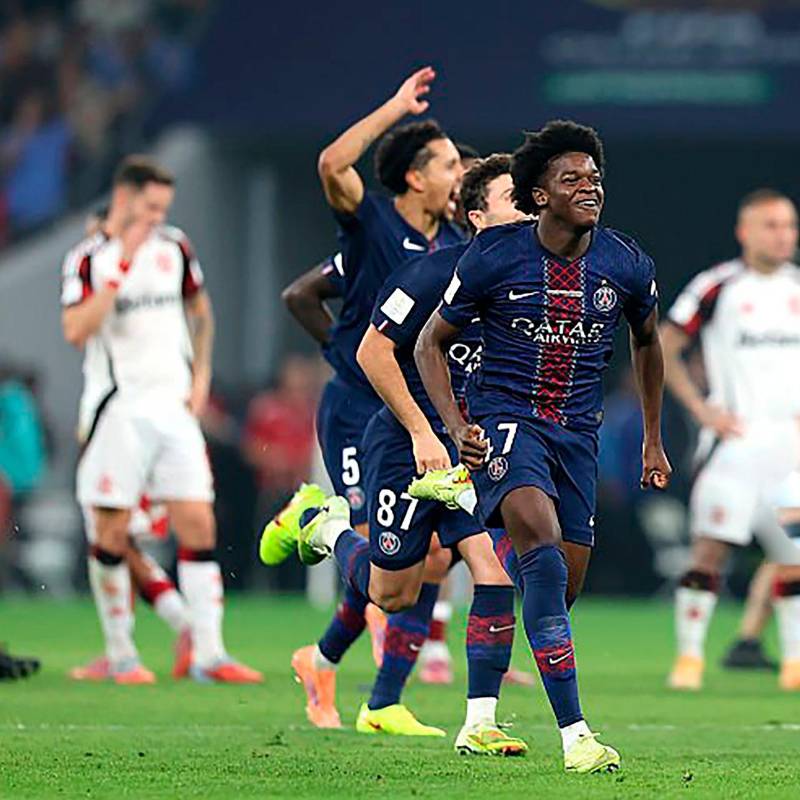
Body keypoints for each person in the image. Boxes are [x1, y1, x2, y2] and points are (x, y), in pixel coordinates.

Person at [413, 120, 671, 773]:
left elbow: (648, 342)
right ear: (538, 195)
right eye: (572, 180)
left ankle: (482, 698)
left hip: (577, 436)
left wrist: (652, 437)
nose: (590, 189)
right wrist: (455, 426)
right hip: (506, 423)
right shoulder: (495, 256)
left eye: (594, 178)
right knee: (543, 551)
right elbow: (429, 344)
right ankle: (577, 736)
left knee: (558, 584)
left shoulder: (626, 262)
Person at [260, 67, 462, 728]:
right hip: (359, 408)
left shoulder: (455, 248)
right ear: (416, 177)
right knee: (384, 555)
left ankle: (365, 688)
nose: (460, 175)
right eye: (450, 164)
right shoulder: (372, 225)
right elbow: (332, 163)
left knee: (428, 559)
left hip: (420, 413)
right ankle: (312, 523)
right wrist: (395, 110)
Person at [61, 155, 261, 684]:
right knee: (111, 531)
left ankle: (209, 653)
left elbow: (201, 312)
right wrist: (121, 264)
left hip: (173, 407)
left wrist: (200, 377)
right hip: (117, 409)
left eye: (163, 208)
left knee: (198, 522)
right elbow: (76, 330)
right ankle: (123, 654)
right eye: (150, 207)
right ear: (124, 199)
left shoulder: (174, 248)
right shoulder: (90, 258)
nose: (158, 218)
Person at [350, 154, 528, 751]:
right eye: (512, 195)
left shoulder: (529, 287)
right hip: (406, 447)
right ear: (476, 215)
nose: (528, 203)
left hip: (469, 457)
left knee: (494, 571)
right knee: (389, 592)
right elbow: (372, 354)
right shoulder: (427, 275)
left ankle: (479, 723)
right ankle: (324, 527)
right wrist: (424, 432)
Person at [661, 188, 800, 691]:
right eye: (771, 225)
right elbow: (666, 343)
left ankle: (793, 663)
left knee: (793, 559)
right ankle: (689, 659)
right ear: (744, 232)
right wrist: (700, 409)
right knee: (709, 552)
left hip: (790, 449)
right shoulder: (718, 286)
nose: (783, 235)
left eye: (788, 225)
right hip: (734, 445)